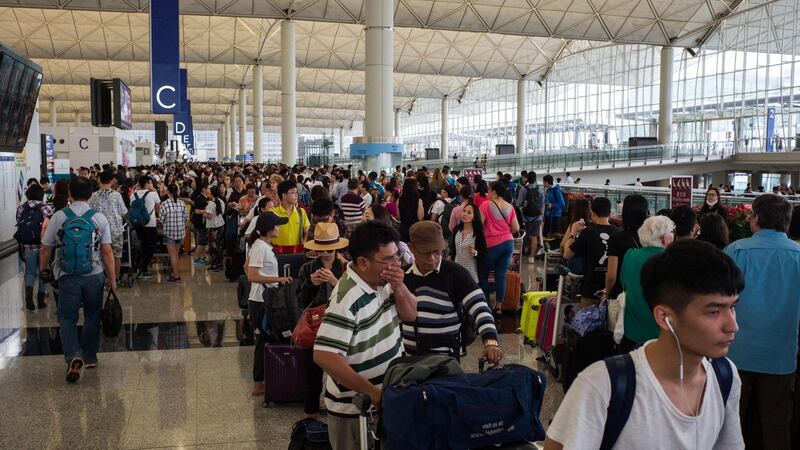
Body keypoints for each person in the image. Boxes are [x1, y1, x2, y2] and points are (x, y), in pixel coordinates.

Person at [545, 239, 745, 450]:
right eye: (714, 311)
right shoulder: (603, 386)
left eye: (732, 308)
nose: (732, 326)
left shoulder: (725, 376)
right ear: (664, 316)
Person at [313, 221, 417, 449]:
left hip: (386, 397)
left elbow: (410, 314)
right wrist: (373, 394)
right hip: (354, 408)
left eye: (396, 256)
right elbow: (324, 355)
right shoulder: (347, 297)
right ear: (363, 262)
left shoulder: (385, 280)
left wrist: (399, 287)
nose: (396, 264)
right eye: (388, 259)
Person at [724, 194, 800, 449]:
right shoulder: (798, 256)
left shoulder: (736, 251)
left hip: (736, 352)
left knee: (730, 425)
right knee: (777, 426)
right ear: (786, 223)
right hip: (782, 355)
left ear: (756, 218)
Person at [39, 177, 116, 383]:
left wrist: (43, 269)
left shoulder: (59, 216)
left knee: (66, 318)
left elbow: (46, 247)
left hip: (67, 275)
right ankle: (90, 357)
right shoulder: (99, 217)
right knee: (92, 315)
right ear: (91, 193)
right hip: (94, 274)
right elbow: (107, 251)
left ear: (70, 194)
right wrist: (112, 278)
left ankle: (73, 354)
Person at [403, 221, 501, 361]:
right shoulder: (403, 276)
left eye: (436, 252)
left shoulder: (455, 273)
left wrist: (490, 342)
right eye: (425, 253)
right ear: (411, 248)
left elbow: (480, 307)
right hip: (409, 360)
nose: (432, 258)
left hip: (446, 360)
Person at [298, 223, 348, 419]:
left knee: (342, 371)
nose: (326, 253)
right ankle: (310, 415)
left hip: (340, 325)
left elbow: (353, 297)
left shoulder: (346, 267)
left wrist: (335, 282)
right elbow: (300, 301)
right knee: (311, 374)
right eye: (321, 249)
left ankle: (340, 411)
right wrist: (310, 284)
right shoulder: (307, 268)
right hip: (314, 327)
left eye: (330, 248)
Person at [245, 212, 292, 396]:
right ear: (270, 229)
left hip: (266, 298)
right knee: (262, 341)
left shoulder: (262, 245)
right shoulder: (261, 247)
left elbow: (247, 267)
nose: (280, 228)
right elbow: (251, 275)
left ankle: (267, 379)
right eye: (278, 226)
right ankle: (258, 383)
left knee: (267, 339)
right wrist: (278, 278)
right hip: (260, 300)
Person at [620, 216, 676, 349]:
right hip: (661, 334)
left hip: (632, 331)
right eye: (672, 233)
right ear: (665, 238)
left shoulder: (630, 255)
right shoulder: (671, 261)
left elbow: (624, 284)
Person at [563, 197, 621, 307]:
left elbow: (566, 254)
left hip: (590, 292)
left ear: (592, 213)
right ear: (609, 213)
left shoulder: (587, 233)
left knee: (587, 323)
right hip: (614, 294)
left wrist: (573, 233)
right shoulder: (619, 233)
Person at [478, 181, 520, 315]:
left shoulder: (485, 205)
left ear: (494, 191)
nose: (488, 193)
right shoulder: (510, 206)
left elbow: (479, 224)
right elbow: (516, 228)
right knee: (500, 276)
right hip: (508, 243)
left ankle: (486, 305)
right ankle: (498, 307)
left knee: (483, 275)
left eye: (489, 190)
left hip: (491, 245)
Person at [16, 183, 53, 311]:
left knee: (30, 272)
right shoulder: (45, 207)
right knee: (42, 271)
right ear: (41, 195)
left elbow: (18, 223)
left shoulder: (21, 208)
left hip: (27, 246)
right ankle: (40, 300)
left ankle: (28, 300)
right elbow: (50, 225)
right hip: (43, 245)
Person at [604, 195, 648, 301]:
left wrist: (607, 293)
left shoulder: (616, 238)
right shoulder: (651, 238)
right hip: (644, 295)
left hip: (621, 296)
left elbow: (611, 276)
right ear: (645, 213)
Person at [88, 171, 128, 283]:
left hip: (99, 231)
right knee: (116, 256)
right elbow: (124, 212)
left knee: (101, 256)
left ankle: (106, 279)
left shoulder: (93, 196)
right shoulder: (117, 195)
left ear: (99, 181)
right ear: (111, 181)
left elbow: (89, 212)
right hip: (115, 231)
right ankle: (115, 279)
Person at [271, 180, 311, 256]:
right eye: (293, 192)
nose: (296, 195)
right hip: (277, 253)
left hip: (297, 252)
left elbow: (307, 231)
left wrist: (304, 244)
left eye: (296, 192)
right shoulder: (273, 213)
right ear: (284, 195)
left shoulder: (301, 212)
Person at [448, 202, 486, 284]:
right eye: (464, 211)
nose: (464, 214)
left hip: (472, 272)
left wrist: (475, 252)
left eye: (469, 212)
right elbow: (454, 248)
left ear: (474, 217)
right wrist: (450, 257)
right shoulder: (457, 229)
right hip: (457, 268)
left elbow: (484, 254)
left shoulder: (478, 233)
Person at [131, 176, 160, 279]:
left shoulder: (133, 195)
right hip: (150, 224)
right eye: (151, 183)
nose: (152, 184)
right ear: (147, 184)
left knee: (141, 246)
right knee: (151, 247)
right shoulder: (153, 194)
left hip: (138, 224)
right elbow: (158, 209)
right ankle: (143, 268)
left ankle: (139, 266)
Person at [159, 184, 188, 282]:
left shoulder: (164, 204)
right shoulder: (181, 203)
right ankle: (174, 273)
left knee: (173, 255)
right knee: (176, 254)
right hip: (180, 232)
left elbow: (162, 220)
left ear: (168, 192)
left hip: (169, 233)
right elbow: (185, 218)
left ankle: (176, 276)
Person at [516, 171, 544, 263]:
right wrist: (541, 217)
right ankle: (531, 257)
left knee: (524, 236)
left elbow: (518, 204)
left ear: (527, 178)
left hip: (525, 217)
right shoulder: (540, 190)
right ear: (536, 179)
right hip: (537, 218)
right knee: (534, 237)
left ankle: (523, 254)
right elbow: (542, 205)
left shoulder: (523, 189)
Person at [204, 185, 226, 271]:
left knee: (212, 247)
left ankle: (214, 264)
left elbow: (209, 216)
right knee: (219, 246)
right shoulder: (221, 202)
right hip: (220, 225)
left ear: (211, 194)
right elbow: (222, 213)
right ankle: (219, 264)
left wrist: (204, 213)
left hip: (212, 227)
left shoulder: (211, 203)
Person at [398, 178, 424, 242]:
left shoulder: (399, 200)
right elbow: (420, 218)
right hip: (415, 228)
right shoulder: (419, 201)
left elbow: (398, 217)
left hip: (403, 228)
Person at [191, 184, 209, 265]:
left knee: (203, 241)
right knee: (202, 241)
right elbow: (196, 211)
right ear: (203, 189)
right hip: (199, 223)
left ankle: (201, 257)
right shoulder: (200, 198)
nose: (209, 190)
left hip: (203, 223)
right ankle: (196, 259)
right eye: (208, 188)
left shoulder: (204, 198)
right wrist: (205, 211)